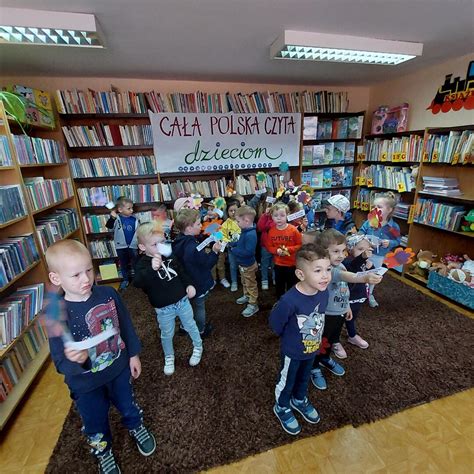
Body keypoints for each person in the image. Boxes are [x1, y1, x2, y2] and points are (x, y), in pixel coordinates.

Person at [45, 240, 155, 473]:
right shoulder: (55, 313)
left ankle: (135, 425)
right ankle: (103, 451)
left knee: (128, 404)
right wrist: (75, 360)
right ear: (56, 279)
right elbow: (59, 361)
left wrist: (133, 354)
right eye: (75, 275)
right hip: (86, 384)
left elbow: (125, 324)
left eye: (88, 270)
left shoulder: (108, 294)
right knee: (94, 422)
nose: (86, 279)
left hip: (118, 369)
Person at [270, 243, 331, 435]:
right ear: (301, 275)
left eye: (328, 269)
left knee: (304, 378)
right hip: (293, 351)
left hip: (312, 348)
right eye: (318, 270)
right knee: (287, 380)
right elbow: (275, 323)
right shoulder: (289, 300)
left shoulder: (324, 292)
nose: (325, 276)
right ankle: (281, 406)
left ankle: (299, 399)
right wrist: (289, 339)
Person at [311, 229, 383, 389]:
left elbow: (344, 289)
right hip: (325, 315)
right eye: (336, 251)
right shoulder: (328, 270)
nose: (341, 255)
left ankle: (324, 359)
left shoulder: (340, 264)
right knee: (320, 342)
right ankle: (314, 366)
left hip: (339, 312)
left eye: (343, 250)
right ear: (323, 252)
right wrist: (364, 277)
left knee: (331, 339)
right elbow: (346, 277)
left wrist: (347, 306)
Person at [133, 222, 203, 376]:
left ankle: (198, 346)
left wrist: (189, 285)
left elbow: (181, 271)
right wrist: (152, 268)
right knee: (167, 333)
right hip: (163, 308)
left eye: (162, 242)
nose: (160, 247)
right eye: (154, 244)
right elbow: (137, 282)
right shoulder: (142, 265)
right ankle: (169, 356)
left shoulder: (169, 254)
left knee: (190, 325)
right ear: (143, 247)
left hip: (182, 301)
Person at [173, 208, 222, 337]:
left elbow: (197, 240)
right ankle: (201, 329)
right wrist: (215, 251)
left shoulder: (180, 239)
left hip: (186, 282)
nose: (201, 225)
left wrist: (209, 233)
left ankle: (184, 326)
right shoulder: (192, 248)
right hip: (197, 281)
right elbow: (207, 263)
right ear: (189, 228)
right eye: (198, 224)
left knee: (188, 307)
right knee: (199, 307)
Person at [359, 192, 401, 307]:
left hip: (379, 255)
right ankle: (358, 292)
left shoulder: (393, 227)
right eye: (374, 207)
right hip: (365, 253)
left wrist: (389, 243)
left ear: (389, 210)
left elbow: (397, 240)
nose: (375, 209)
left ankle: (370, 293)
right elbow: (361, 232)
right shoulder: (370, 222)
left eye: (379, 207)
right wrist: (364, 238)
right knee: (361, 272)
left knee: (375, 274)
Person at [342, 234, 374, 350]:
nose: (364, 253)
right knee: (338, 319)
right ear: (350, 249)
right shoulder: (346, 261)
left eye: (367, 250)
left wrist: (371, 268)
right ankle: (334, 340)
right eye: (360, 249)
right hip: (345, 297)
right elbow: (353, 267)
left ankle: (352, 335)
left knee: (352, 317)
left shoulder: (367, 262)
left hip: (359, 295)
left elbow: (371, 275)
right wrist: (363, 257)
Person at [228, 205, 259, 317]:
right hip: (242, 264)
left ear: (246, 221)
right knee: (244, 282)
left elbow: (249, 252)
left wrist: (234, 250)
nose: (236, 223)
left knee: (251, 284)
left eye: (238, 221)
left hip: (248, 264)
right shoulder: (243, 230)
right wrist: (231, 243)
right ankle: (247, 296)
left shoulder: (251, 234)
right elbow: (237, 241)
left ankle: (253, 304)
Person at [267, 202, 302, 299]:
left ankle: (293, 302)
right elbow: (269, 246)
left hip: (292, 264)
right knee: (279, 286)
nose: (279, 218)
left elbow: (299, 244)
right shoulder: (271, 231)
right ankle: (280, 303)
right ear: (272, 217)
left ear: (287, 215)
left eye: (282, 215)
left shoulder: (293, 230)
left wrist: (289, 249)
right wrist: (276, 251)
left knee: (292, 285)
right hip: (278, 264)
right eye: (275, 215)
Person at [105, 196, 139, 290]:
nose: (131, 210)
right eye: (129, 208)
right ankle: (125, 280)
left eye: (132, 208)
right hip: (120, 246)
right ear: (120, 209)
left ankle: (138, 280)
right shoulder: (116, 218)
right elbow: (109, 226)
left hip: (133, 246)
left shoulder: (134, 219)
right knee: (123, 264)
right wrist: (112, 218)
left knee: (135, 263)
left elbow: (139, 231)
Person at [221, 199, 241, 291]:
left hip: (242, 248)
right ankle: (234, 282)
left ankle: (244, 281)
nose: (233, 212)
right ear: (227, 212)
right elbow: (222, 235)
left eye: (235, 210)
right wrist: (227, 242)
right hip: (231, 249)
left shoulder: (242, 221)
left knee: (242, 266)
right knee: (232, 266)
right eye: (230, 211)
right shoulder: (225, 224)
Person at [256, 201, 275, 290]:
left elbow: (275, 226)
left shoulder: (276, 219)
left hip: (275, 246)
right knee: (264, 264)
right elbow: (260, 227)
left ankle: (275, 278)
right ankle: (264, 280)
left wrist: (271, 218)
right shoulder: (265, 217)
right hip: (265, 246)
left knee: (274, 263)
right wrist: (265, 215)